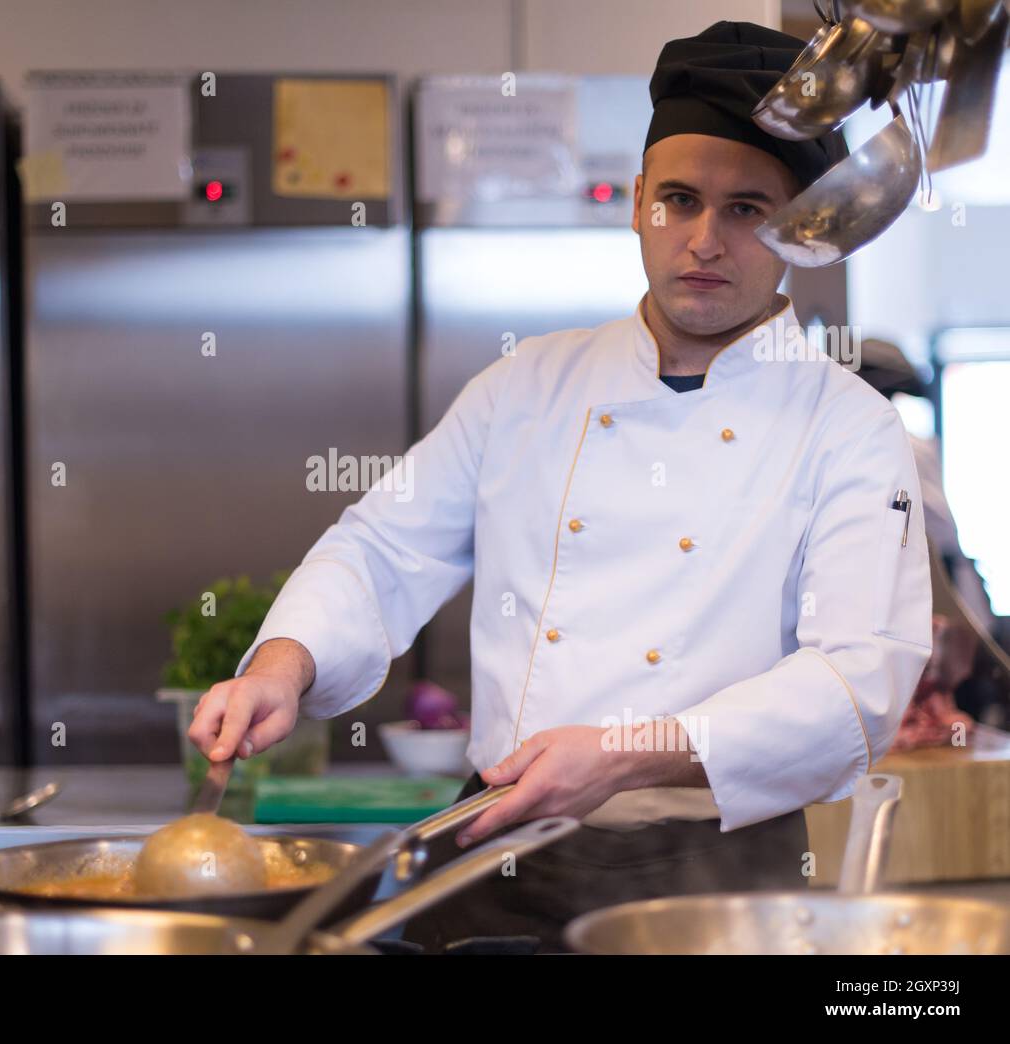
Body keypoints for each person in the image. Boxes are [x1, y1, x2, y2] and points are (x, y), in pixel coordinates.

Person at [189, 22, 933, 952]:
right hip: (495, 846)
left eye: (747, 208)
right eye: (679, 200)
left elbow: (855, 681)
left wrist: (621, 756)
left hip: (709, 875)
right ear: (636, 206)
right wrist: (281, 666)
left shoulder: (847, 426)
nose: (704, 240)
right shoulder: (527, 386)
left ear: (798, 227)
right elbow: (383, 547)